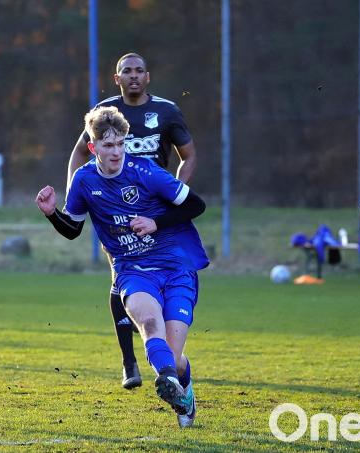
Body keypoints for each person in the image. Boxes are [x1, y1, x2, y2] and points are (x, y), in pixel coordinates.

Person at [38, 106, 208, 427]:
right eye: (108, 145)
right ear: (94, 147)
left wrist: (156, 222)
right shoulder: (84, 180)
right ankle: (169, 381)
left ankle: (179, 386)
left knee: (172, 355)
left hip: (175, 267)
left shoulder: (147, 172)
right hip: (131, 268)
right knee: (148, 324)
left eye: (120, 144)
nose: (116, 152)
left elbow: (196, 205)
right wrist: (51, 213)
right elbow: (73, 230)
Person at [67, 52, 198, 389]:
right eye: (127, 71)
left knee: (160, 280)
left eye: (140, 71)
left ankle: (168, 356)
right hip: (114, 208)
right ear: (117, 78)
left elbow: (189, 155)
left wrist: (174, 199)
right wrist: (77, 193)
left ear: (148, 76)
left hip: (154, 206)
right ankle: (129, 362)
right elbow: (80, 153)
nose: (134, 77)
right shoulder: (104, 112)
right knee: (122, 275)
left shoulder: (167, 111)